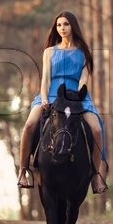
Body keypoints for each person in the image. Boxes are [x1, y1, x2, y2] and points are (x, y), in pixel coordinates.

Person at [17, 11, 108, 194]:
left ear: (72, 26)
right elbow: (45, 80)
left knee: (97, 129)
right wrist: (43, 98)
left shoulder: (83, 52)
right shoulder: (49, 52)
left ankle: (96, 175)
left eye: (65, 24)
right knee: (29, 125)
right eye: (59, 25)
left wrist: (77, 96)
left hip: (77, 97)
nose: (62, 28)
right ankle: (23, 170)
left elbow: (84, 79)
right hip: (50, 95)